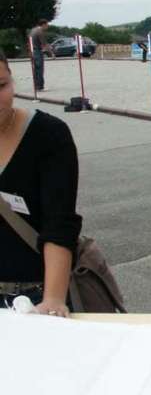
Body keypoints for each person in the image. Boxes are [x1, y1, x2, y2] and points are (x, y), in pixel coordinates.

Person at [0, 52, 81, 317]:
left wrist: (53, 299)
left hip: (33, 295)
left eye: (1, 85)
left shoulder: (48, 134)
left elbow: (59, 223)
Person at [29, 19, 51, 91]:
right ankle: (40, 87)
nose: (47, 26)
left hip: (32, 52)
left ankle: (36, 86)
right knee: (40, 70)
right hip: (38, 52)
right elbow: (44, 44)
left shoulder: (33, 30)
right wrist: (52, 53)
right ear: (43, 24)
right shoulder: (40, 32)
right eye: (47, 25)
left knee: (35, 70)